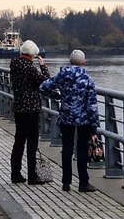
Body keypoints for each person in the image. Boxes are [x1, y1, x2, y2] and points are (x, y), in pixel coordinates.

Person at [40, 49, 99, 193]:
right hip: (83, 119)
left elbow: (43, 87)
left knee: (66, 149)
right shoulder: (87, 79)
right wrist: (94, 123)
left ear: (70, 61)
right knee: (82, 150)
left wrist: (57, 97)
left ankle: (66, 182)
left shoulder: (62, 75)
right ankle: (83, 183)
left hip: (66, 117)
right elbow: (91, 104)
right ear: (83, 62)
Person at [9, 40, 50, 185]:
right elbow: (46, 82)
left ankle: (15, 174)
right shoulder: (30, 68)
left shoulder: (14, 64)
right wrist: (43, 66)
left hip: (19, 107)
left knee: (19, 140)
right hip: (31, 109)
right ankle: (32, 175)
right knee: (32, 141)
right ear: (32, 54)